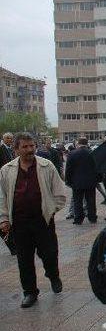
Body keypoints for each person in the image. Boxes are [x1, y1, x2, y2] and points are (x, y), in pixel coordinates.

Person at [0, 132, 66, 308]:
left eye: (32, 146)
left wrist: (51, 210)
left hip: (43, 220)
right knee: (24, 259)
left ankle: (53, 275)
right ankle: (30, 292)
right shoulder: (6, 170)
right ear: (16, 150)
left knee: (49, 254)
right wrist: (4, 219)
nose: (30, 150)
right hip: (20, 223)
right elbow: (2, 197)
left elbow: (60, 193)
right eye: (25, 147)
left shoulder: (47, 166)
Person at [65, 137, 99, 225]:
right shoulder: (93, 153)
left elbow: (68, 169)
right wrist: (98, 179)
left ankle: (78, 218)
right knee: (91, 200)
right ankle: (92, 217)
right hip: (91, 181)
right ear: (87, 143)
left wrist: (68, 180)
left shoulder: (72, 154)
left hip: (77, 181)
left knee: (77, 201)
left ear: (78, 143)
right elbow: (97, 167)